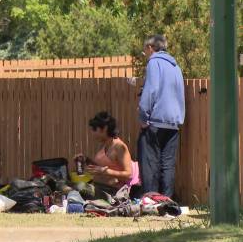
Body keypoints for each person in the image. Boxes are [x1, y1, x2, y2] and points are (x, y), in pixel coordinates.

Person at [138, 35, 185, 198]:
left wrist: (144, 117)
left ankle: (151, 200)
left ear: (151, 48)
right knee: (167, 165)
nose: (145, 55)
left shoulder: (154, 63)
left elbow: (150, 90)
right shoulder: (176, 67)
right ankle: (166, 201)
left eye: (145, 51)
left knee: (150, 163)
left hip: (155, 122)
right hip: (173, 124)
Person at [75, 112, 140, 198]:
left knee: (78, 187)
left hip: (116, 191)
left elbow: (129, 174)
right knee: (71, 186)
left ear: (104, 128)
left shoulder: (119, 147)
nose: (92, 133)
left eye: (95, 129)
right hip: (103, 187)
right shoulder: (107, 145)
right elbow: (102, 167)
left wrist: (105, 171)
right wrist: (86, 160)